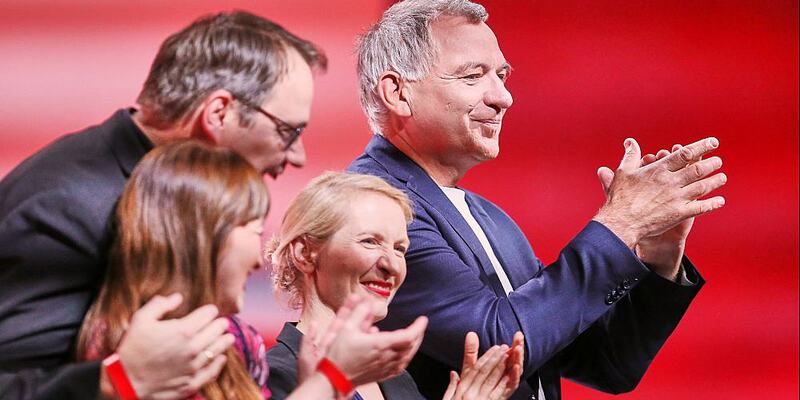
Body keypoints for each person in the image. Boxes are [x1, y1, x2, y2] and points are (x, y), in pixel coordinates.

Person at [348, 1, 727, 399]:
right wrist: (621, 224)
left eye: (502, 75)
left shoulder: (488, 216)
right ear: (397, 92)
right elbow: (497, 345)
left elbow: (608, 363)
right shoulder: (372, 204)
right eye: (473, 76)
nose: (503, 97)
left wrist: (655, 256)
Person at [0, 11, 324, 399]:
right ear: (219, 114)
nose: (299, 157)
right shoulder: (68, 208)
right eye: (289, 132)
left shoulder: (137, 188)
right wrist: (116, 381)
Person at [78, 140, 426, 400]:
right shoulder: (117, 338)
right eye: (254, 228)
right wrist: (327, 381)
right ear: (201, 235)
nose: (261, 258)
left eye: (400, 248)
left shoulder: (239, 343)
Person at [265, 172, 525, 400]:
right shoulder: (273, 375)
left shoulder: (397, 378)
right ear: (305, 253)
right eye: (370, 241)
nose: (393, 266)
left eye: (400, 249)